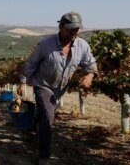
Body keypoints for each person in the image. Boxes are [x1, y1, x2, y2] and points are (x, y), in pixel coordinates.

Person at [17, 12, 98, 164]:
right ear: (61, 27)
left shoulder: (82, 46)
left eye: (77, 29)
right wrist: (23, 81)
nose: (75, 33)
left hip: (60, 90)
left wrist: (90, 76)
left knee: (45, 115)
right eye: (71, 29)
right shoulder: (45, 45)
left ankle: (36, 126)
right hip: (43, 85)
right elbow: (32, 63)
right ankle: (44, 156)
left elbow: (91, 64)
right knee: (48, 119)